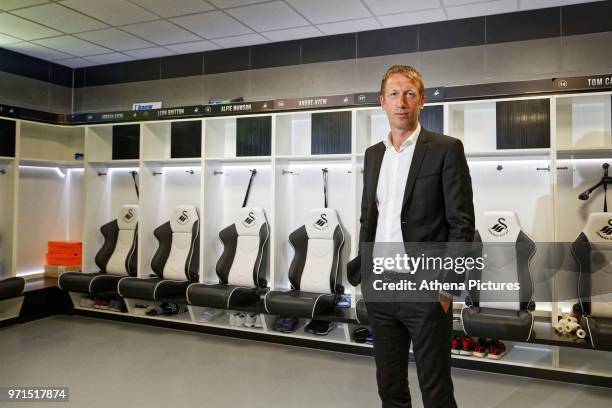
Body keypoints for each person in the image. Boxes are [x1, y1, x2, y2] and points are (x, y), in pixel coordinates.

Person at [350, 65, 475, 408]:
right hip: (381, 288)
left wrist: (448, 286)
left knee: (435, 389)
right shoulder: (373, 154)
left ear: (421, 101)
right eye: (394, 94)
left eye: (409, 94)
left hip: (426, 290)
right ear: (382, 102)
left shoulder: (446, 149)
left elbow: (461, 223)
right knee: (389, 385)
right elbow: (368, 217)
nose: (401, 102)